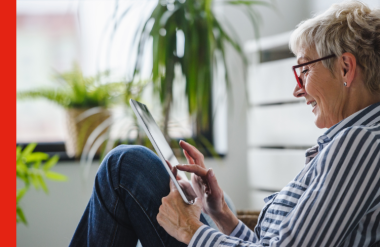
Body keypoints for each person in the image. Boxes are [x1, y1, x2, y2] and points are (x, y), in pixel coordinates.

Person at [70, 1, 380, 246]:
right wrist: (222, 215)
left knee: (124, 165)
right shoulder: (351, 141)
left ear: (345, 68)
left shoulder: (360, 143)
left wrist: (190, 229)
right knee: (162, 179)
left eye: (304, 71)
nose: (297, 88)